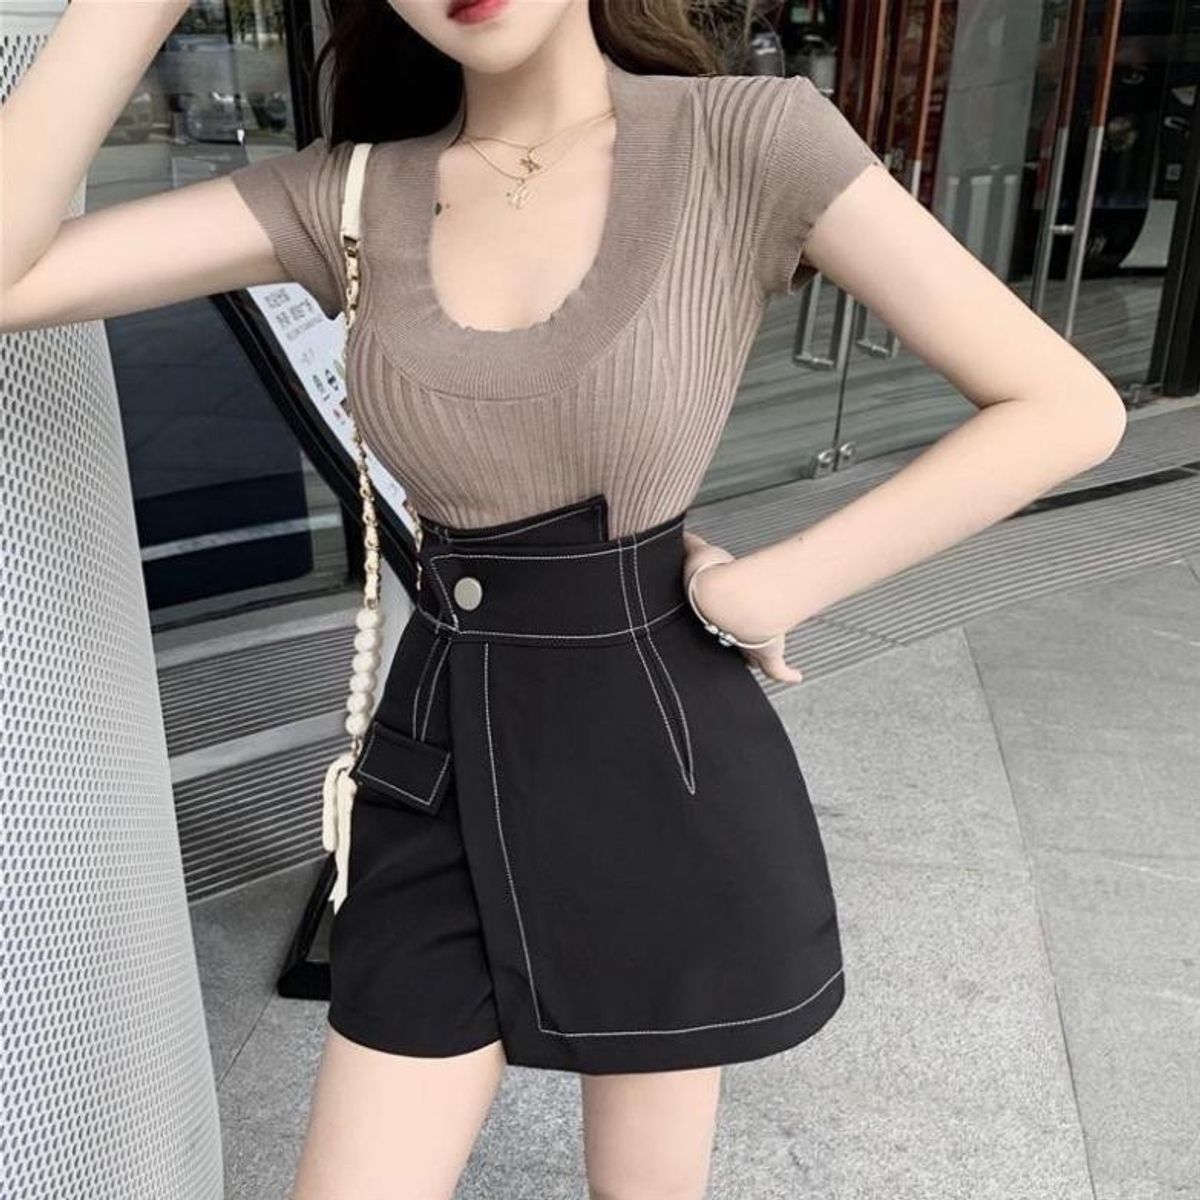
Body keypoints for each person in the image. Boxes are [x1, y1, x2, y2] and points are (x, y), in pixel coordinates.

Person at [0, 1, 1127, 1197]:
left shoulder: (744, 136)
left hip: (654, 744)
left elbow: (1065, 407)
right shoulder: (350, 193)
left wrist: (777, 582)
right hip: (437, 754)